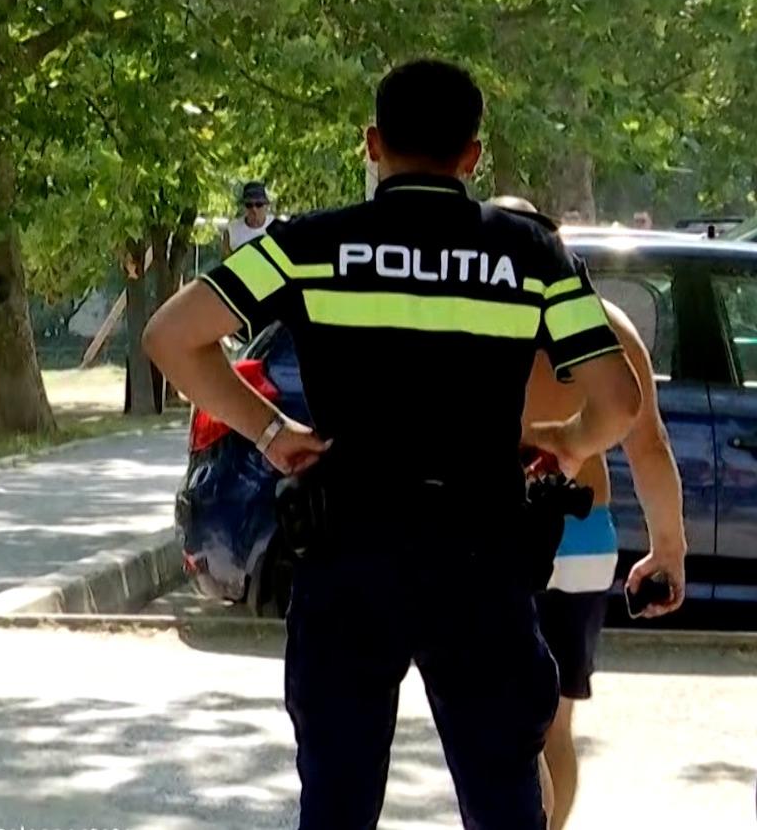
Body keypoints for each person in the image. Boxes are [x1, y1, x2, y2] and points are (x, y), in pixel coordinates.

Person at [144, 60, 643, 829]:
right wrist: (568, 443)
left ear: (373, 144)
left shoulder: (309, 245)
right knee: (504, 798)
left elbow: (171, 337)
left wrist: (272, 434)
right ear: (472, 156)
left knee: (337, 801)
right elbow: (620, 401)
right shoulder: (531, 255)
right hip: (481, 557)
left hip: (348, 550)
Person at [490, 196, 686, 830]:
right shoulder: (607, 324)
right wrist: (668, 548)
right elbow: (649, 447)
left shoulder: (476, 320)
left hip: (496, 532)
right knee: (555, 725)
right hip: (584, 535)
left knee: (500, 717)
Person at [220, 181, 273, 256]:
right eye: (249, 205)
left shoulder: (277, 226)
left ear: (266, 205)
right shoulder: (231, 230)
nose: (254, 209)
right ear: (244, 207)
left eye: (259, 204)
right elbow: (226, 259)